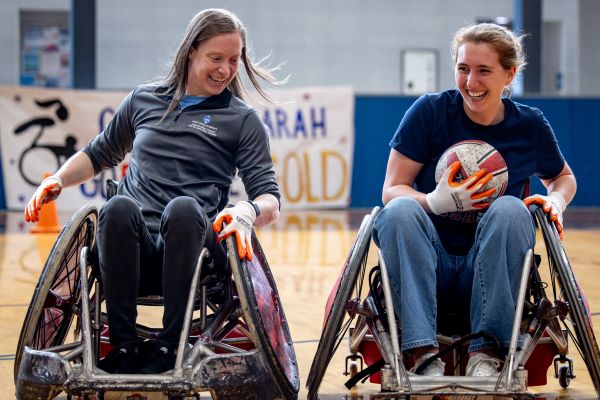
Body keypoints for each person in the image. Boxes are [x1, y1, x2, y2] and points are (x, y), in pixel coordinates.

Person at [24, 8, 284, 374]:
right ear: (191, 50)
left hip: (195, 254)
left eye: (234, 60)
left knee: (182, 209)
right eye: (216, 58)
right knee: (116, 208)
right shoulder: (144, 100)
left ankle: (170, 347)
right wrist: (59, 180)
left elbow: (269, 198)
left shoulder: (242, 120)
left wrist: (247, 212)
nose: (225, 69)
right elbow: (99, 153)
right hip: (131, 253)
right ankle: (124, 348)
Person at [372, 23, 576, 377]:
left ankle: (487, 353)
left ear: (509, 73)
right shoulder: (429, 112)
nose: (471, 82)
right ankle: (422, 354)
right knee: (399, 210)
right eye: (463, 69)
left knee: (513, 209)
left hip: (493, 269)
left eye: (484, 71)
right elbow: (392, 189)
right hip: (427, 263)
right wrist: (435, 202)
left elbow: (563, 178)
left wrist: (556, 201)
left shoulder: (528, 125)